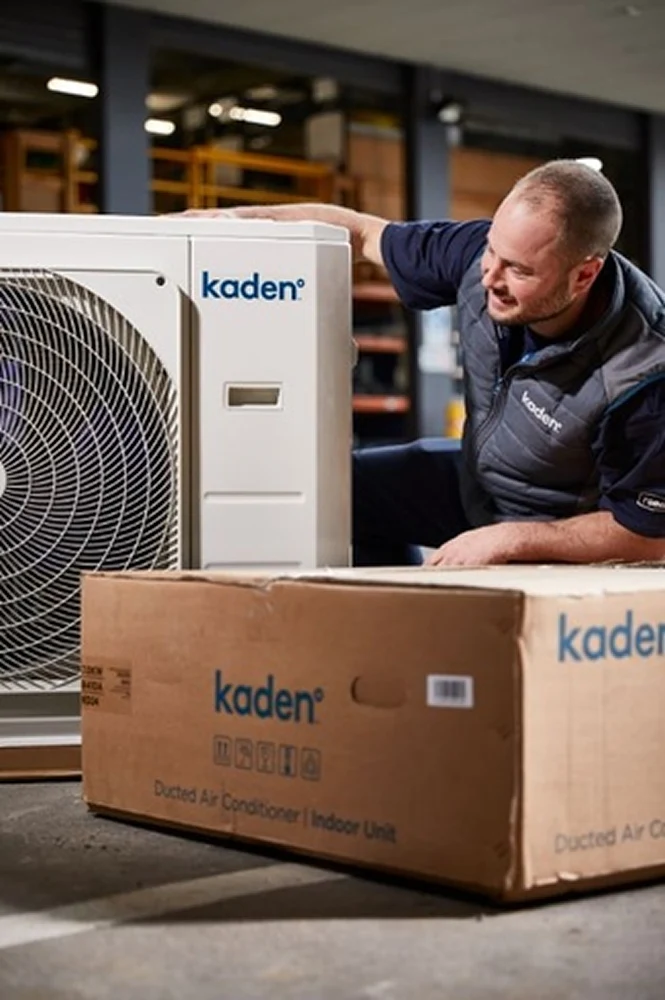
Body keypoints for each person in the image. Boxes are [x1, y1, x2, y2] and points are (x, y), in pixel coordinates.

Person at [181, 159, 665, 567]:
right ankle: (401, 620)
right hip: (478, 485)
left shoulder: (644, 373)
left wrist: (510, 540)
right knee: (338, 492)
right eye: (493, 251)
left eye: (519, 270)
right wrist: (228, 225)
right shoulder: (479, 255)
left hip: (561, 522)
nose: (490, 276)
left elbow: (648, 533)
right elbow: (357, 232)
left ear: (585, 274)